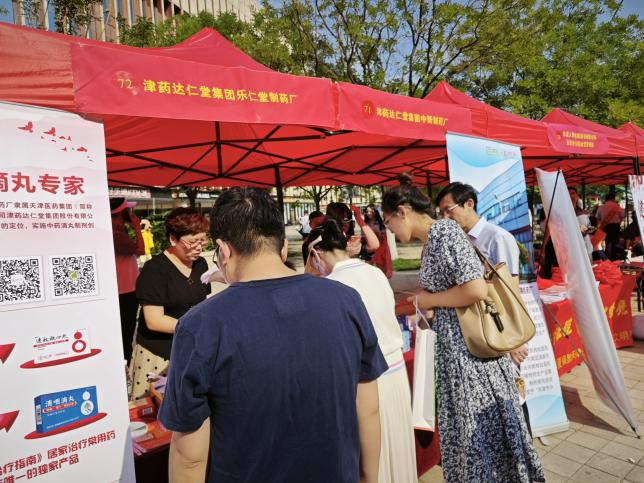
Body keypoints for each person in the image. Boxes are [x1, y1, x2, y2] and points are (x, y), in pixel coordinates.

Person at [158, 188, 387, 483]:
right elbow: (368, 409)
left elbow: (189, 456)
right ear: (282, 247)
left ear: (223, 251)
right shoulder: (346, 300)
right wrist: (369, 478)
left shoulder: (199, 325)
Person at [382, 176, 544, 483]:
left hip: (470, 355)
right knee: (470, 435)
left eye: (388, 221)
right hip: (458, 349)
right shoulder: (435, 238)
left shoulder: (444, 232)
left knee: (477, 435)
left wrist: (427, 300)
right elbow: (448, 291)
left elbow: (475, 289)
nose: (389, 229)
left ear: (402, 211)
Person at [306, 219, 417, 483]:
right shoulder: (374, 272)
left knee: (374, 460)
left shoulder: (331, 285)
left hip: (366, 384)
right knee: (398, 452)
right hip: (396, 374)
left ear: (315, 255)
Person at [130, 208, 211, 399]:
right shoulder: (155, 269)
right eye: (192, 242)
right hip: (158, 353)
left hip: (190, 349)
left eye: (202, 240)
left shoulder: (200, 264)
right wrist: (195, 328)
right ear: (173, 239)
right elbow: (154, 321)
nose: (199, 247)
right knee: (153, 407)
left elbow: (201, 305)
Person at [110, 197, 144, 363]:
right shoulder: (116, 234)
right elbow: (141, 250)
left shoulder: (116, 231)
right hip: (126, 289)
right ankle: (125, 362)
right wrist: (137, 227)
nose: (132, 213)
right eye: (129, 210)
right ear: (122, 213)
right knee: (126, 329)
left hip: (122, 288)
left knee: (123, 328)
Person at [596, 192, 625, 260]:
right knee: (615, 242)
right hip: (615, 226)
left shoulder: (601, 207)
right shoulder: (618, 207)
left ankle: (606, 257)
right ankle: (614, 257)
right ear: (613, 199)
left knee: (605, 242)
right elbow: (623, 215)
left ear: (606, 199)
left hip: (605, 226)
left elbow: (597, 217)